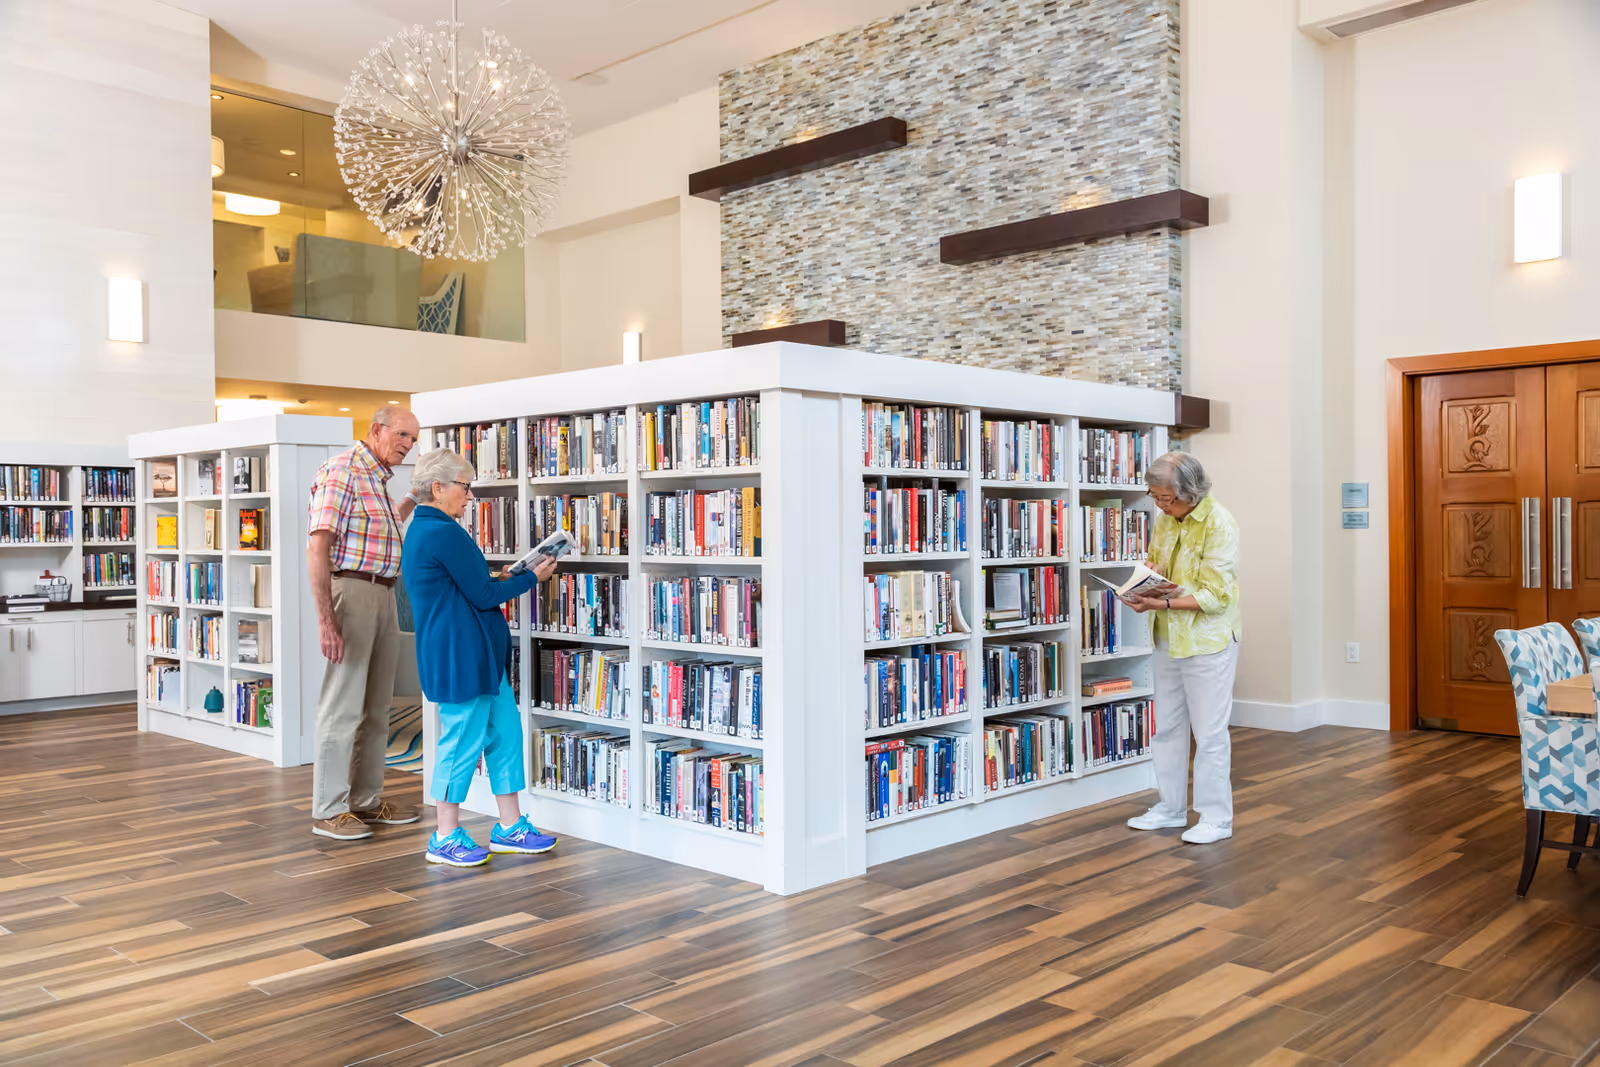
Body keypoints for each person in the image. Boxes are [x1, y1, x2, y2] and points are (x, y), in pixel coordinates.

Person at [403, 449, 560, 867]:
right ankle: (444, 835)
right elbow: (483, 596)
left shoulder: (433, 528)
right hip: (461, 657)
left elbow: (464, 587)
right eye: (464, 486)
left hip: (481, 658)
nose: (470, 495)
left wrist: (503, 576)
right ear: (438, 488)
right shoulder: (440, 531)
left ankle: (509, 825)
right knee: (460, 744)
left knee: (505, 733)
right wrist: (531, 577)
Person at [305, 406, 422, 841]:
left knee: (377, 709)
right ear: (377, 430)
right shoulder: (343, 470)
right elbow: (319, 547)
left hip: (384, 593)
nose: (408, 445)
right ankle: (329, 809)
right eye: (402, 435)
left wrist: (413, 498)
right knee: (342, 706)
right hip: (351, 594)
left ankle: (366, 801)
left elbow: (379, 531)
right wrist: (326, 621)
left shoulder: (376, 479)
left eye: (413, 439)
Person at [1123, 451, 1242, 844]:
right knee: (1168, 728)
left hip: (1207, 641)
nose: (1160, 505)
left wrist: (1164, 601)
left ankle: (1216, 819)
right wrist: (1146, 581)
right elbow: (1158, 566)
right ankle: (1172, 808)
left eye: (1167, 499)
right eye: (1154, 497)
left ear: (1191, 492)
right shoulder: (1164, 520)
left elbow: (1216, 597)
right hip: (1167, 636)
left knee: (1208, 733)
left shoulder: (1219, 524)